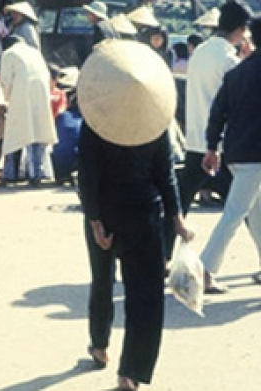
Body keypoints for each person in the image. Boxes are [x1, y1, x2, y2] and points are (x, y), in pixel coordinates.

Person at [76, 39, 193, 391]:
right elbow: (165, 174)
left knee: (101, 279)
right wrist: (177, 217)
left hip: (106, 210)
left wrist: (96, 220)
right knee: (145, 294)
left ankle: (99, 345)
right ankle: (131, 373)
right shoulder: (155, 118)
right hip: (145, 211)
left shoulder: (95, 117)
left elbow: (88, 173)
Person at [199, 17, 261, 294]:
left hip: (236, 152)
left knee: (256, 212)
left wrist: (212, 147)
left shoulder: (237, 72)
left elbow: (218, 112)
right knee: (235, 213)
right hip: (256, 155)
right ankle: (204, 270)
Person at [180, 0, 250, 216]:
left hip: (195, 140)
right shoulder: (230, 60)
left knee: (180, 205)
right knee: (246, 207)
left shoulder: (199, 52)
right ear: (240, 30)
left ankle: (163, 247)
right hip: (221, 146)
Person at [0, 35, 58, 186]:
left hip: (21, 97)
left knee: (14, 135)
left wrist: (5, 99)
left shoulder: (9, 53)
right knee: (37, 133)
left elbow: (5, 80)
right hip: (41, 98)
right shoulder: (35, 53)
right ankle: (36, 174)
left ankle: (10, 175)